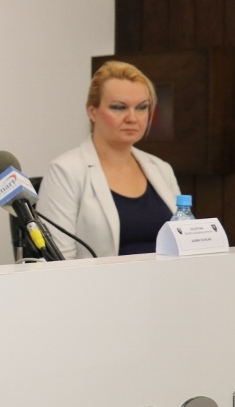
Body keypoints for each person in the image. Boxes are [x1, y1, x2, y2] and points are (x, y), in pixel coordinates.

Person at [36, 60, 180, 259]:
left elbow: (186, 242)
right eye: (119, 107)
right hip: (97, 280)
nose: (132, 118)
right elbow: (59, 261)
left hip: (168, 277)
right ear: (92, 112)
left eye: (142, 107)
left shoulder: (161, 168)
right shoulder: (65, 171)